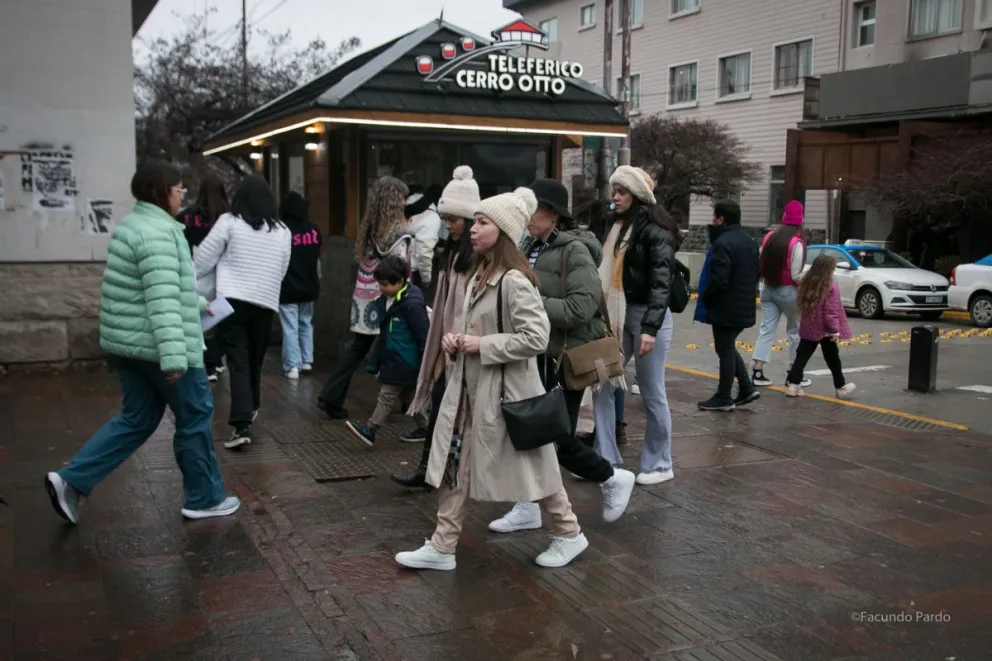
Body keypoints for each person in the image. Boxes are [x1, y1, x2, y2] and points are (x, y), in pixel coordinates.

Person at [394, 187, 588, 571]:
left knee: (537, 467)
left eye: (483, 223)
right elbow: (473, 329)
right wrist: (455, 341)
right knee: (454, 466)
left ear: (502, 231)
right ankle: (442, 545)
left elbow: (537, 338)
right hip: (472, 393)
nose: (473, 229)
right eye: (475, 221)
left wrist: (480, 344)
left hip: (506, 396)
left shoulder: (514, 280)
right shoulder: (482, 272)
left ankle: (569, 534)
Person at [44, 160, 240, 524]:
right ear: (162, 191)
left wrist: (200, 305)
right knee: (195, 416)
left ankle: (71, 481)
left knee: (136, 420)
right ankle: (205, 498)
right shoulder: (160, 233)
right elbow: (162, 301)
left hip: (130, 346)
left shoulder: (133, 225)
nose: (183, 195)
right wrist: (174, 360)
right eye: (179, 189)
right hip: (161, 347)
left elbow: (157, 289)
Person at [488, 178, 635, 532]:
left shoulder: (574, 250)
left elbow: (581, 308)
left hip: (563, 358)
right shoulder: (529, 244)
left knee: (556, 437)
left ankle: (611, 477)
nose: (527, 216)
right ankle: (527, 505)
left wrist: (530, 305)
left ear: (552, 214)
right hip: (535, 355)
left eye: (533, 210)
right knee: (528, 430)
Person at [592, 166, 681, 485]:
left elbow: (661, 282)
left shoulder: (656, 229)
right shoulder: (615, 224)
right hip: (617, 314)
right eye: (614, 190)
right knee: (602, 382)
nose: (615, 196)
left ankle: (660, 463)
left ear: (638, 195)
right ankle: (605, 459)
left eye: (622, 191)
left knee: (652, 392)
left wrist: (650, 329)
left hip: (646, 317)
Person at [392, 166, 480, 486]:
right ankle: (432, 472)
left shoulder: (478, 256)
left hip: (465, 349)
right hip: (446, 346)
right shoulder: (453, 250)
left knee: (459, 419)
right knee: (442, 412)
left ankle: (448, 476)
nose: (448, 225)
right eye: (445, 218)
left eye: (453, 219)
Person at [195, 175, 291, 449]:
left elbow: (203, 259)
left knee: (238, 360)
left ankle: (241, 425)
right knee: (254, 360)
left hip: (232, 301)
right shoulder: (282, 230)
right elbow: (282, 269)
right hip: (265, 302)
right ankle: (251, 406)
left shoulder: (229, 222)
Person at [317, 177, 413, 420]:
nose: (404, 203)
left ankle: (331, 395)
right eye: (401, 198)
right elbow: (400, 268)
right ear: (394, 201)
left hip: (364, 296)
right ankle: (407, 404)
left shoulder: (369, 229)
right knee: (399, 347)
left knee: (358, 348)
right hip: (387, 298)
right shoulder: (399, 234)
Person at [345, 255, 430, 446]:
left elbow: (423, 334)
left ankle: (371, 429)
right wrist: (375, 361)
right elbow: (384, 335)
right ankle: (426, 426)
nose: (381, 288)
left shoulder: (411, 304)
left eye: (385, 284)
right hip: (395, 357)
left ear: (400, 281)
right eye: (379, 284)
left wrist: (426, 361)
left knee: (387, 394)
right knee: (408, 395)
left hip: (405, 359)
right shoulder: (388, 300)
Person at [694, 200, 761, 411]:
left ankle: (724, 396)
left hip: (726, 306)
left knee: (724, 349)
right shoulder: (750, 242)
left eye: (714, 217)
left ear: (721, 219)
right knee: (728, 347)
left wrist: (707, 298)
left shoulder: (723, 243)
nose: (712, 221)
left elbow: (719, 280)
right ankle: (746, 388)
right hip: (743, 304)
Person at [751, 200, 808, 387]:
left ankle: (757, 371)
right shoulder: (796, 243)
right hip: (788, 292)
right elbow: (795, 274)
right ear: (801, 219)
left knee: (766, 329)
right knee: (795, 332)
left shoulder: (770, 237)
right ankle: (794, 374)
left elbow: (760, 261)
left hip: (767, 288)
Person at [178, 173, 229, 381]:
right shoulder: (228, 218)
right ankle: (216, 360)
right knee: (220, 318)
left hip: (195, 273)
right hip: (223, 276)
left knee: (199, 319)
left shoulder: (185, 217)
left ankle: (207, 361)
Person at [786, 254, 857, 399]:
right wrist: (834, 331)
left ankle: (793, 386)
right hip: (825, 330)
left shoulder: (806, 283)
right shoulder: (830, 287)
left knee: (802, 356)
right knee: (833, 358)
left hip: (809, 327)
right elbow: (831, 311)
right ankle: (840, 387)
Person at [278, 191, 323, 380]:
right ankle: (307, 360)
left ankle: (292, 366)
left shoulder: (281, 230)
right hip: (309, 286)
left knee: (290, 326)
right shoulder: (313, 230)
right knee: (306, 323)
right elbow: (319, 254)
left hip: (287, 287)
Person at [405, 186, 442, 291]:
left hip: (394, 265)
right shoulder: (432, 217)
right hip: (413, 271)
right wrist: (426, 279)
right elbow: (424, 251)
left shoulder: (404, 207)